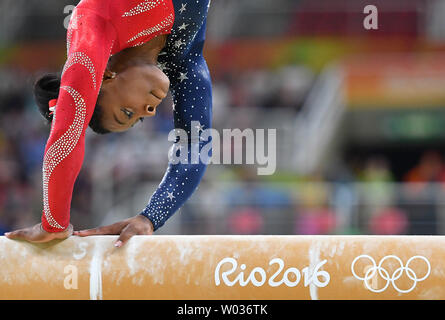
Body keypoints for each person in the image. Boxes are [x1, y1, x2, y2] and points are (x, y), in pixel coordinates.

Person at [5, 0, 213, 247]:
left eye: (126, 112)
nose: (150, 111)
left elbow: (69, 126)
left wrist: (54, 222)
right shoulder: (183, 56)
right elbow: (196, 144)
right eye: (139, 118)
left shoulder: (94, 22)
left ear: (105, 76)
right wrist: (151, 217)